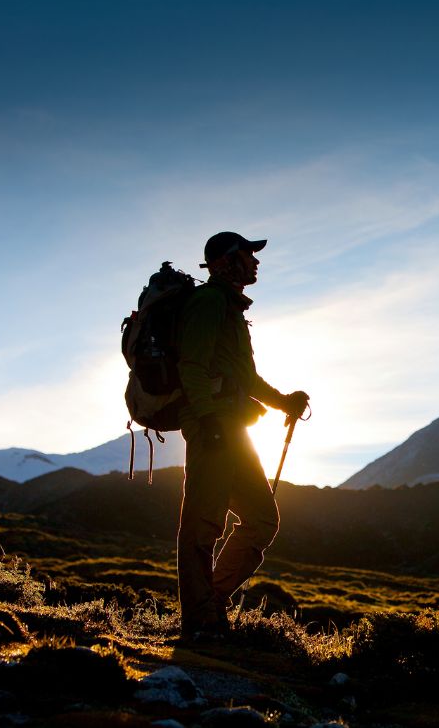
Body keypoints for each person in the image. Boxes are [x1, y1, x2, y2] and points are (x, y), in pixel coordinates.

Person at [174, 231, 309, 640]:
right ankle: (200, 623)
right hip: (214, 427)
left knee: (262, 519)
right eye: (247, 255)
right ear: (224, 262)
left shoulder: (230, 310)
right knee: (203, 523)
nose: (255, 262)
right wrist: (209, 419)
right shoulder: (209, 303)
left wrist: (284, 402)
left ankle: (210, 606)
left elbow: (244, 377)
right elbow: (191, 365)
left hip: (232, 428)